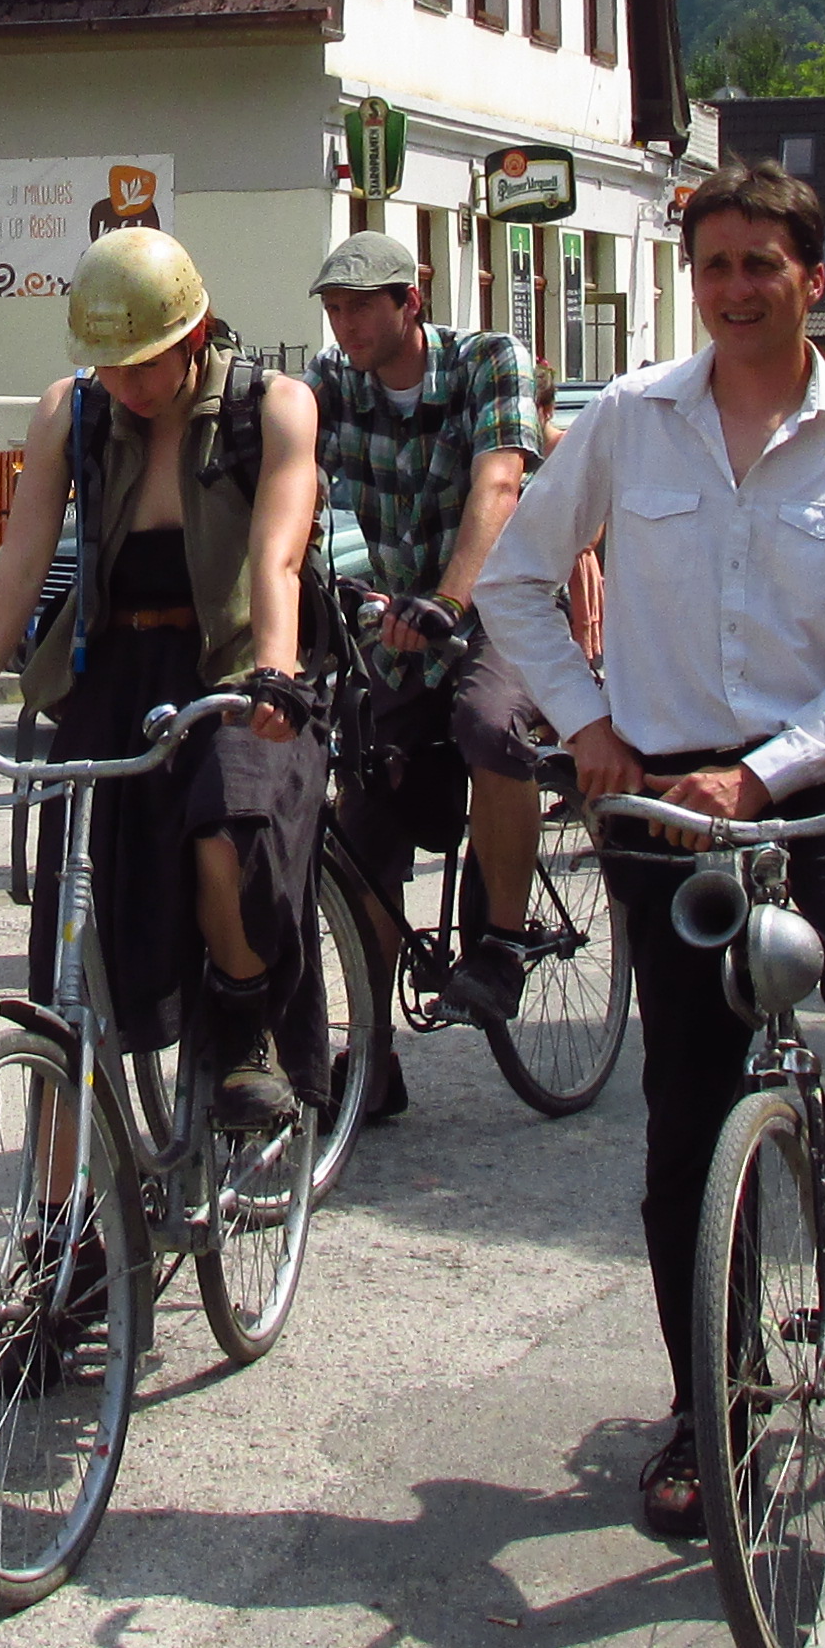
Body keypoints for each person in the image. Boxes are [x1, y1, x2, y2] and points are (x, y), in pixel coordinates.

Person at [479, 163, 825, 1547]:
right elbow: (514, 581)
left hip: (819, 787)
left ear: (812, 280)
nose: (736, 288)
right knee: (687, 1116)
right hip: (667, 806)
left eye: (763, 264)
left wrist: (765, 774)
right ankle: (714, 1408)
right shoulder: (631, 420)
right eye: (715, 265)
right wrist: (587, 722)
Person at [0, 228, 327, 1137]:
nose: (125, 384)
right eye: (109, 365)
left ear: (194, 336)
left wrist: (275, 674)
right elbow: (22, 557)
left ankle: (244, 1023)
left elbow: (278, 557)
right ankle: (59, 1204)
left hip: (235, 669)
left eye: (143, 364)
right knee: (74, 914)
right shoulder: (73, 413)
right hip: (113, 669)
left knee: (226, 830)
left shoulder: (274, 406)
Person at [306, 227, 555, 1085]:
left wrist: (451, 601)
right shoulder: (333, 382)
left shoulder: (489, 361)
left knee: (489, 726)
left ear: (410, 302)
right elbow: (291, 478)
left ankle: (503, 944)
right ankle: (370, 1054)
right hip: (400, 626)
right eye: (334, 310)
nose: (344, 327)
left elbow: (500, 482)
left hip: (502, 609)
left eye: (359, 309)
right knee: (363, 818)